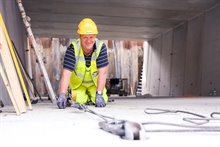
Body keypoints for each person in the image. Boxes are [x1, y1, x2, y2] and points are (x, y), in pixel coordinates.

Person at [57, 18, 109, 109]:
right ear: (80, 36)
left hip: (94, 85)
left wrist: (99, 94)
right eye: (85, 37)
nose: (88, 41)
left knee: (102, 99)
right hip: (78, 85)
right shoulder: (73, 48)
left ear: (95, 36)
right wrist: (62, 94)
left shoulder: (101, 47)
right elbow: (66, 73)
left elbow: (103, 72)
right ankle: (85, 97)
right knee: (77, 100)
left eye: (91, 37)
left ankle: (93, 96)